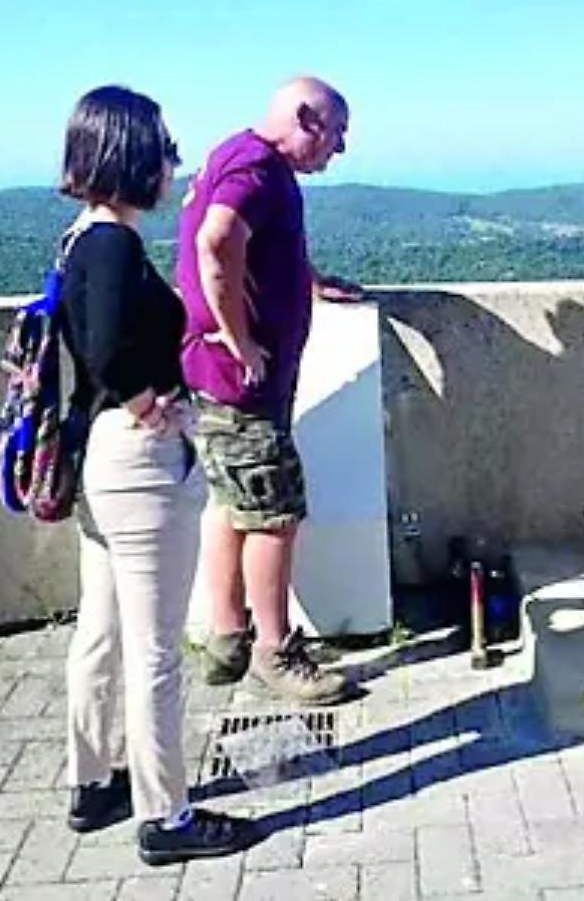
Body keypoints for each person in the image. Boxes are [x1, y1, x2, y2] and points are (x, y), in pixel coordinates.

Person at [59, 86, 257, 864]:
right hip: (135, 465)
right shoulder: (112, 244)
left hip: (98, 461)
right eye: (163, 149)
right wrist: (152, 405)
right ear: (132, 156)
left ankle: (91, 783)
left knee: (101, 634)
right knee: (155, 652)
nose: (173, 162)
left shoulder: (79, 237)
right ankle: (166, 817)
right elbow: (106, 350)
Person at [175, 76, 361, 704]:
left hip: (219, 382)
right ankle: (274, 655)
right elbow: (217, 240)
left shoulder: (238, 153)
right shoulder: (257, 168)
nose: (339, 151)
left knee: (235, 505)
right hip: (241, 385)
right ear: (306, 120)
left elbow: (256, 248)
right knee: (275, 515)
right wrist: (240, 338)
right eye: (335, 134)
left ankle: (228, 636)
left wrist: (305, 279)